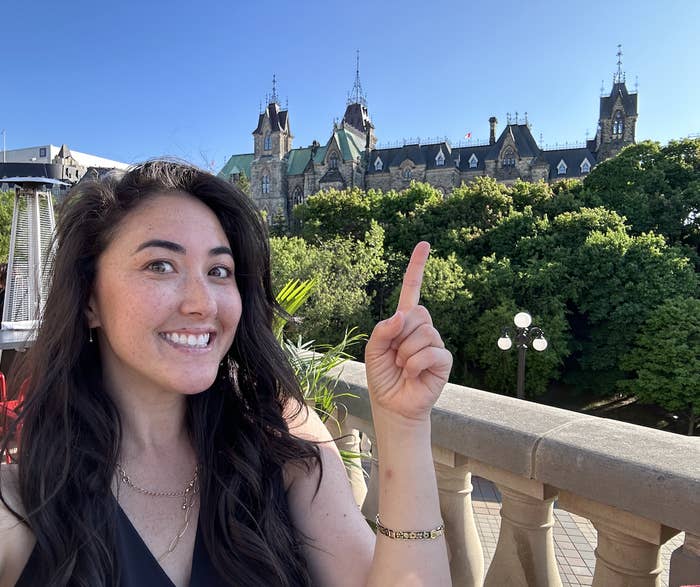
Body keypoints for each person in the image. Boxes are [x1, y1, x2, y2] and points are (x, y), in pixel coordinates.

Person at [0, 160, 452, 586]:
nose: (203, 302)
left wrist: (404, 427)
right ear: (88, 299)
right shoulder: (21, 504)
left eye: (219, 270)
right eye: (161, 265)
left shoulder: (280, 435)